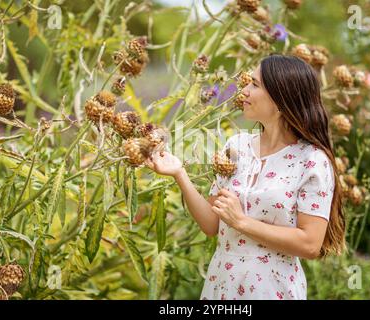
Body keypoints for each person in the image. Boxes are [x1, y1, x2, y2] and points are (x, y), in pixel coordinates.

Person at [145, 54, 346, 300]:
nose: (245, 92)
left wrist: (242, 222)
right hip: (222, 285)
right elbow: (211, 224)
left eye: (254, 85)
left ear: (280, 99)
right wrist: (179, 173)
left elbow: (310, 244)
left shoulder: (312, 161)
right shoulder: (236, 147)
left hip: (273, 290)